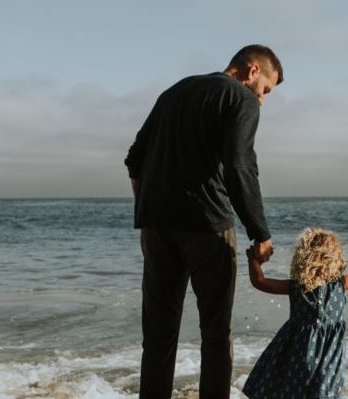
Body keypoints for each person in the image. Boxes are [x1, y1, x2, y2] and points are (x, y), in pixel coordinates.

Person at [124, 44, 283, 399]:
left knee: (159, 334)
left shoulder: (174, 92)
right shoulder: (241, 99)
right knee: (215, 333)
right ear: (252, 71)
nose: (263, 100)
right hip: (208, 227)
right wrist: (260, 232)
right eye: (267, 90)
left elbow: (135, 159)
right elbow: (240, 166)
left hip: (157, 228)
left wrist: (146, 216)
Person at [242, 227, 348, 398]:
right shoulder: (341, 285)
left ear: (302, 257)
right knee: (323, 393)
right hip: (328, 358)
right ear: (336, 258)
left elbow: (260, 282)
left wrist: (254, 261)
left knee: (293, 392)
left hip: (296, 354)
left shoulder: (295, 287)